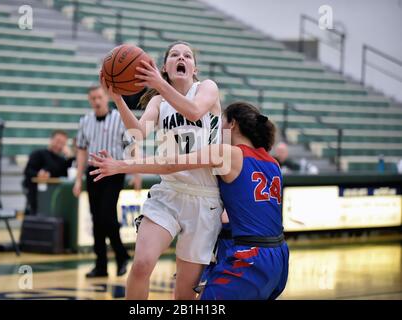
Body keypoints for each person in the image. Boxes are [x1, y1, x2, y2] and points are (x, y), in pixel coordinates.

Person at [90, 101, 289, 300]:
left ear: (232, 125)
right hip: (279, 256)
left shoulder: (227, 154)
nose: (218, 129)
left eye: (220, 123)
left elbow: (171, 164)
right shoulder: (273, 163)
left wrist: (120, 165)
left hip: (252, 256)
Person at [100, 41, 223, 300]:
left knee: (184, 294)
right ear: (165, 66)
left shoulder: (207, 88)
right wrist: (118, 99)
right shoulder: (157, 101)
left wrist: (159, 84)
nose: (182, 58)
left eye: (188, 55)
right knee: (142, 264)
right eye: (175, 55)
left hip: (204, 197)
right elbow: (138, 133)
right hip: (168, 191)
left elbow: (194, 110)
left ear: (194, 67)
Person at [73, 85, 139, 278]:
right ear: (89, 100)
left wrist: (136, 173)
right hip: (93, 171)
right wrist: (78, 179)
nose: (96, 101)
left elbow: (131, 146)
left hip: (113, 170)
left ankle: (121, 256)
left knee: (106, 215)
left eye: (99, 97)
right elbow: (81, 150)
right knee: (96, 218)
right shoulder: (85, 121)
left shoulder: (118, 118)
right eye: (92, 98)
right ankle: (101, 264)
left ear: (105, 97)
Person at [22, 130, 74, 215]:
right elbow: (28, 171)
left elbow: (68, 173)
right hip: (37, 194)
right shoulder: (38, 154)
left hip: (56, 195)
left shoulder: (63, 160)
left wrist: (70, 156)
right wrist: (38, 174)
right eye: (58, 141)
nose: (59, 145)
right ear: (51, 139)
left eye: (63, 143)